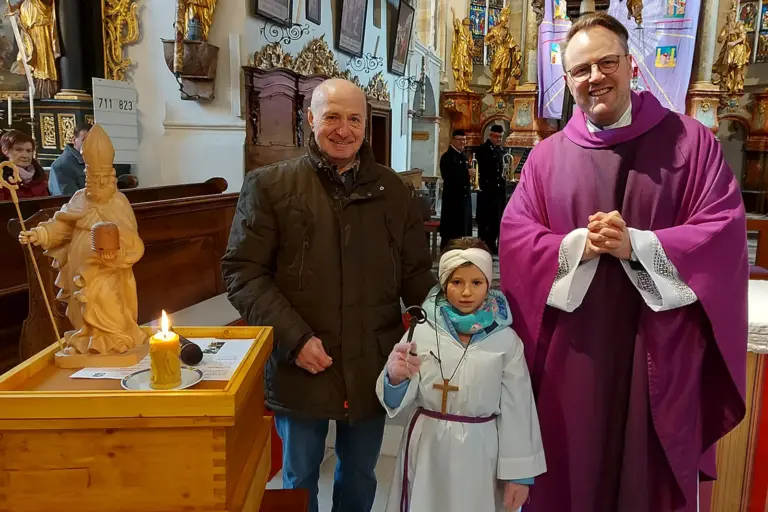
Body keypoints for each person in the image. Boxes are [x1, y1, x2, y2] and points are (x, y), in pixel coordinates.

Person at [499, 12, 747, 512]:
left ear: (631, 64)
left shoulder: (690, 143)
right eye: (580, 70)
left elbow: (721, 233)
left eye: (607, 62)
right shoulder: (546, 158)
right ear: (567, 82)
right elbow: (517, 238)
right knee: (572, 471)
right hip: (574, 356)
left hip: (659, 349)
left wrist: (637, 245)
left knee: (645, 477)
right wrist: (577, 247)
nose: (595, 77)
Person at [221, 78, 436, 512]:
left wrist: (441, 324)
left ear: (365, 125)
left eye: (354, 119)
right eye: (332, 117)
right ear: (310, 119)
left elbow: (415, 275)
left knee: (359, 474)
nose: (344, 129)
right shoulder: (270, 187)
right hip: (300, 362)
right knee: (298, 477)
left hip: (372, 361)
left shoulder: (393, 192)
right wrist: (294, 339)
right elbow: (242, 272)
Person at [376, 237, 546, 512]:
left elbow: (519, 408)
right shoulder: (422, 331)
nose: (467, 292)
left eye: (476, 283)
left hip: (480, 452)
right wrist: (395, 379)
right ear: (444, 283)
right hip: (428, 447)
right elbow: (398, 400)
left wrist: (519, 474)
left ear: (488, 284)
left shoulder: (505, 340)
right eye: (457, 282)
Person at [18, 124, 145, 354]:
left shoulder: (118, 203)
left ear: (112, 178)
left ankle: (114, 340)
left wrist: (115, 251)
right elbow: (62, 227)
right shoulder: (80, 199)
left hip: (107, 270)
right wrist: (40, 233)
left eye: (105, 178)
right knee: (82, 308)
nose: (99, 184)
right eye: (93, 178)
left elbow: (132, 239)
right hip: (79, 269)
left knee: (108, 305)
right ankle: (88, 339)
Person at [439, 129, 473, 249]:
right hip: (453, 200)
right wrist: (466, 173)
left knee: (463, 229)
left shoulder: (463, 155)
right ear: (453, 140)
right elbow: (449, 176)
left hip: (464, 199)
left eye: (464, 140)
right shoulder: (447, 157)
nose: (463, 143)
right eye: (460, 140)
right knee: (452, 231)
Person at [476, 125, 507, 254]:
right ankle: (484, 243)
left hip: (498, 191)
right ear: (491, 135)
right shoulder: (483, 150)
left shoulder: (500, 150)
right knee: (485, 220)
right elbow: (484, 170)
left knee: (496, 219)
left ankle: (492, 243)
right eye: (496, 136)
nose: (499, 139)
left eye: (500, 137)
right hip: (487, 191)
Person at [0, 129, 48, 200]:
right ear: (5, 151)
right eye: (18, 150)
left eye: (29, 151)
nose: (25, 155)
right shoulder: (1, 178)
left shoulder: (38, 175)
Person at [49, 123, 91, 196]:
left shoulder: (98, 159)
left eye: (93, 140)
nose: (90, 144)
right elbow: (69, 200)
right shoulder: (61, 166)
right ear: (74, 140)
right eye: (84, 140)